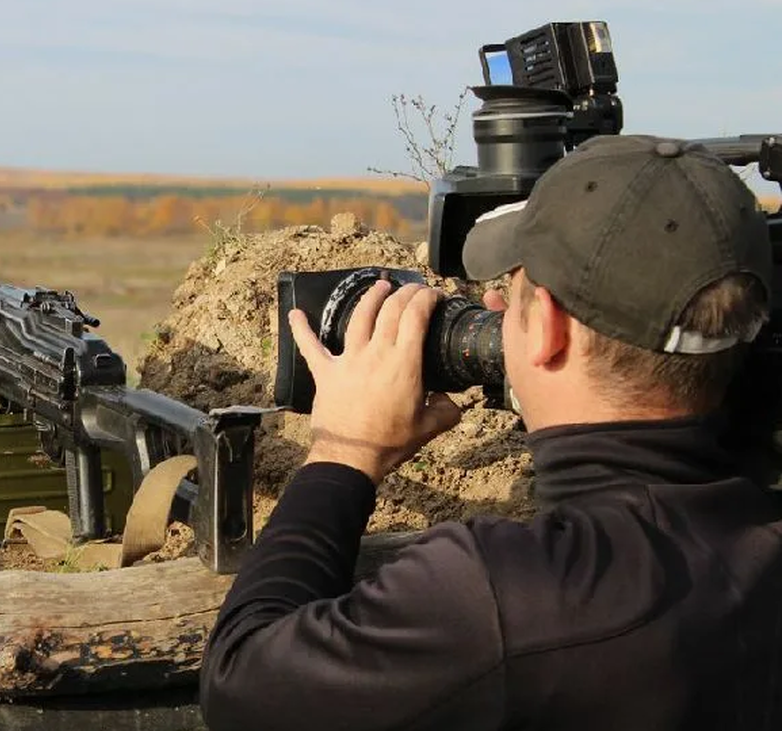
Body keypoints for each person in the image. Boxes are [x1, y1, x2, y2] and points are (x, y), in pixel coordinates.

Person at [199, 134, 782, 731]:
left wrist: (344, 452)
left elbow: (241, 687)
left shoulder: (504, 594)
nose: (495, 306)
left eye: (514, 294)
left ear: (549, 329)